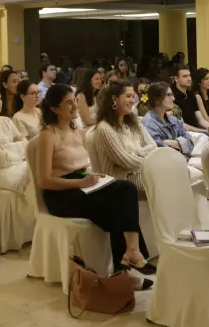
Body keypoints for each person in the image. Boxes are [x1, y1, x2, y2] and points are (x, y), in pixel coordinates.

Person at [36, 84, 155, 285]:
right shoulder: (48, 135)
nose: (75, 106)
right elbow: (44, 180)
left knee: (126, 189)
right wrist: (81, 182)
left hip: (83, 182)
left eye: (74, 100)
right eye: (68, 103)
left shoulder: (77, 130)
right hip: (61, 194)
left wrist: (93, 177)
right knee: (115, 207)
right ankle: (123, 271)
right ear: (55, 109)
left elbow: (83, 164)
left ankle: (131, 252)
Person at [88, 79, 158, 192]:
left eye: (133, 96)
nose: (132, 100)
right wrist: (152, 161)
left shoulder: (134, 122)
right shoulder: (104, 128)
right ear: (114, 99)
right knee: (161, 176)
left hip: (139, 171)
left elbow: (153, 146)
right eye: (128, 96)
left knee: (176, 171)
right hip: (118, 182)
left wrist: (135, 153)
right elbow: (126, 161)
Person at [141, 82, 195, 156]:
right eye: (168, 95)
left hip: (182, 159)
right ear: (156, 100)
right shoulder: (149, 124)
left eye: (172, 94)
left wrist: (175, 143)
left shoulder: (172, 119)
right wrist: (182, 145)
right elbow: (164, 153)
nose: (173, 98)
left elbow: (190, 142)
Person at [172, 65, 207, 132]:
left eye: (189, 75)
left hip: (197, 131)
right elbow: (180, 124)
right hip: (182, 132)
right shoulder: (172, 96)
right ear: (176, 79)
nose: (189, 78)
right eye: (185, 76)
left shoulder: (191, 95)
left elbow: (201, 120)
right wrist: (203, 131)